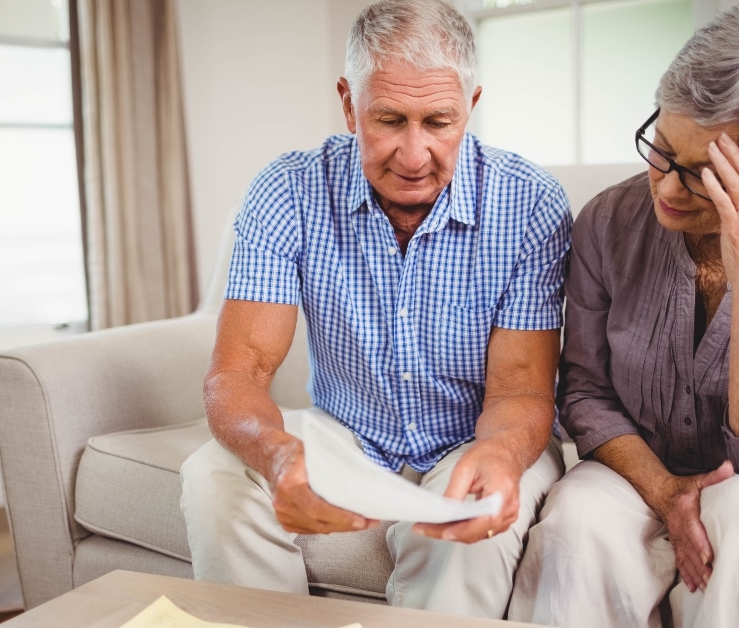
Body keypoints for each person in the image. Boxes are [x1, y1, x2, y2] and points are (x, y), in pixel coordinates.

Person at [179, 0, 572, 618]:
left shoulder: (530, 205)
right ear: (347, 103)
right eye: (388, 120)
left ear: (470, 106)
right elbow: (239, 373)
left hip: (473, 436)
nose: (413, 156)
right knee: (213, 476)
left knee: (472, 535)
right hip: (348, 434)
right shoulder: (288, 192)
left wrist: (497, 457)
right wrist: (278, 454)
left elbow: (521, 389)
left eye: (439, 122)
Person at [507, 1, 739, 626]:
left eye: (705, 174)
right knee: (575, 524)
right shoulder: (607, 222)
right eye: (662, 148)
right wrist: (665, 491)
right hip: (641, 461)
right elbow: (585, 393)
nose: (667, 187)